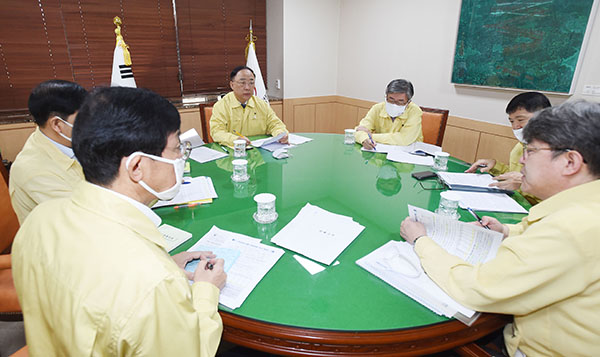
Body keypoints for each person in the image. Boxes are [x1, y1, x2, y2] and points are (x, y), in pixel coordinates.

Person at [12, 87, 227, 356]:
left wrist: (166, 265)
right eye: (176, 149)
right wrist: (206, 291)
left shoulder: (40, 220)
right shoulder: (153, 284)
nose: (182, 157)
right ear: (137, 167)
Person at [400, 100, 600, 356]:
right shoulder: (584, 205)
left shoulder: (571, 228)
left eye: (530, 151)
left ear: (570, 162)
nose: (522, 161)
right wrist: (507, 231)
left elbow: (477, 289)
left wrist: (421, 241)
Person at [9, 80, 88, 223]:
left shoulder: (66, 140)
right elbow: (83, 219)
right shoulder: (33, 170)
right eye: (83, 118)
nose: (90, 123)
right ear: (57, 124)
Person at [465, 92, 551, 205]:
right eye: (511, 121)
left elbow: (558, 195)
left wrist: (527, 182)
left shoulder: (557, 151)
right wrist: (495, 166)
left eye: (520, 120)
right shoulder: (520, 146)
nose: (515, 126)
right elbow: (514, 176)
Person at [210, 65, 288, 147]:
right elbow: (217, 132)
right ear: (232, 85)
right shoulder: (222, 105)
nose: (247, 87)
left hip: (258, 152)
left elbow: (275, 124)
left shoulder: (261, 104)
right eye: (242, 83)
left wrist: (280, 133)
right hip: (233, 151)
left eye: (251, 83)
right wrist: (235, 140)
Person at [354, 79, 423, 150]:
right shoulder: (377, 108)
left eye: (400, 101)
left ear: (408, 102)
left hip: (409, 154)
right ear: (386, 97)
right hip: (381, 154)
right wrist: (364, 139)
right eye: (391, 99)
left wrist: (370, 136)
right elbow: (359, 130)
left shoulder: (415, 111)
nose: (394, 104)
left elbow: (404, 139)